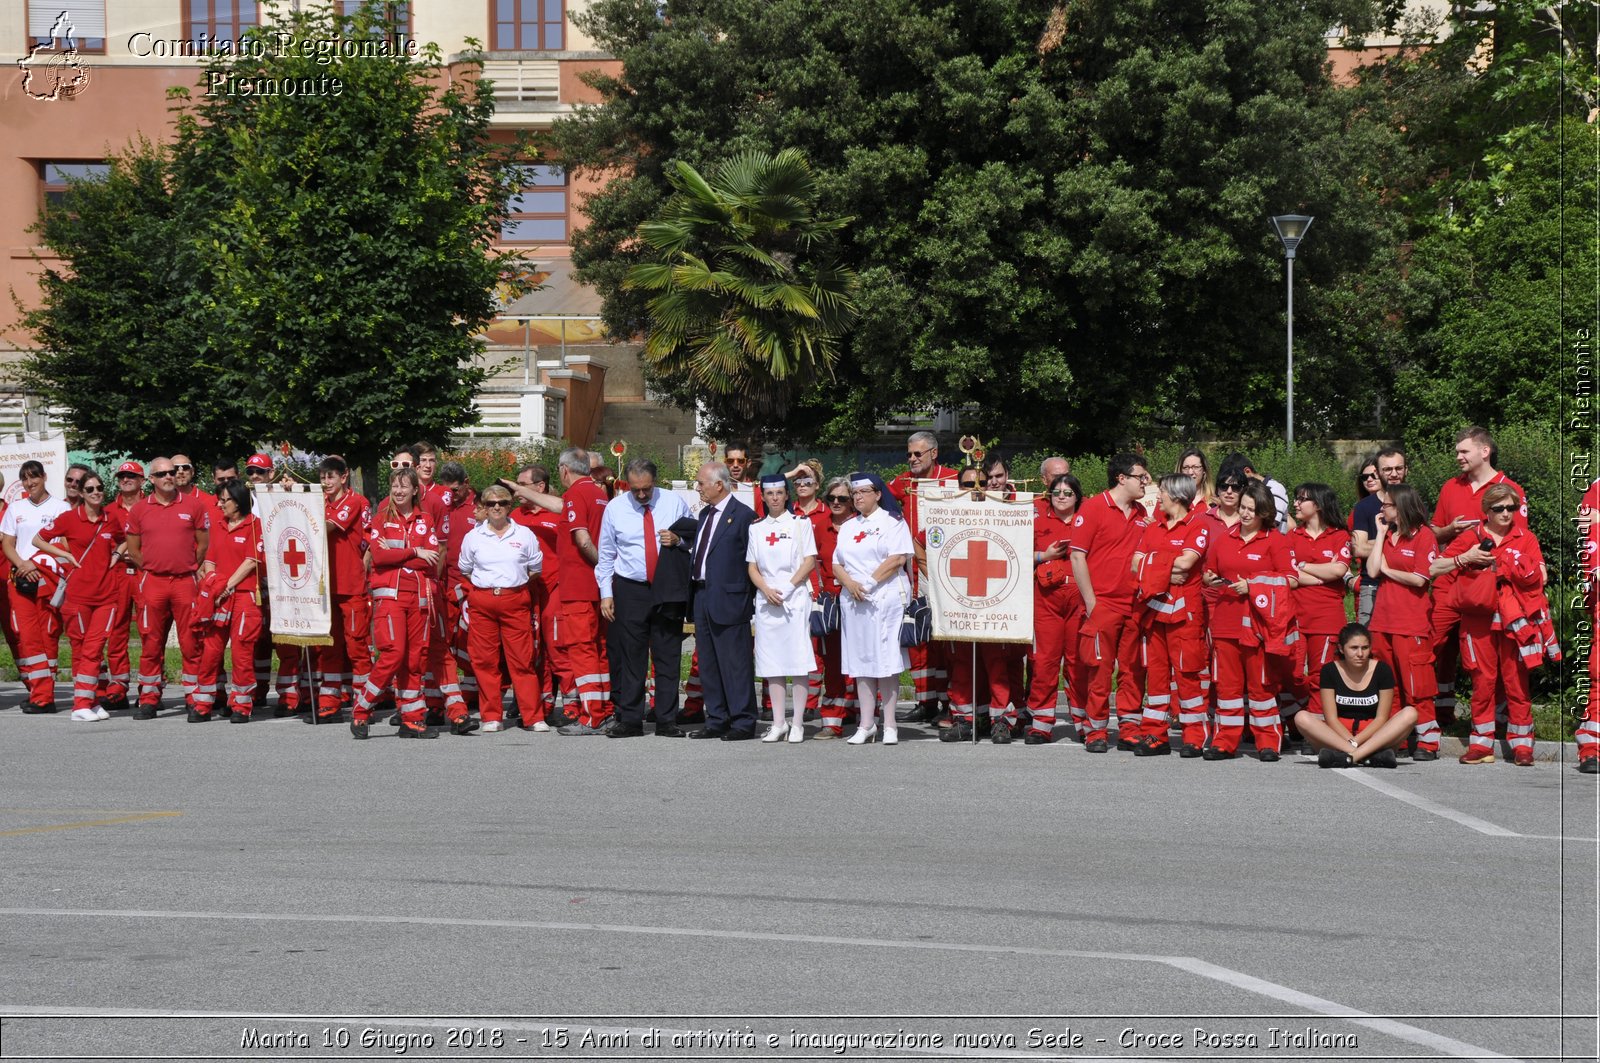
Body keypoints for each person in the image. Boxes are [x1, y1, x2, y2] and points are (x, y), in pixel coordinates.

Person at [1431, 483, 1548, 765]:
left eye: (1511, 508)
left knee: (1516, 682)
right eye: (1499, 508)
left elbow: (1541, 575)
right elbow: (1433, 568)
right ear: (1486, 511)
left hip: (1514, 620)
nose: (1507, 514)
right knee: (1482, 681)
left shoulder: (1525, 536)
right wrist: (1465, 557)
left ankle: (1522, 746)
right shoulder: (1472, 536)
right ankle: (1481, 745)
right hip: (1477, 618)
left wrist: (1512, 568)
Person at [1430, 426, 1528, 733]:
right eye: (1457, 451)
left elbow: (1519, 539)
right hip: (1449, 582)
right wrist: (1452, 531)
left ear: (1484, 451)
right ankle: (1433, 713)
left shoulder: (1509, 489)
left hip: (1486, 588)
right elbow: (1434, 533)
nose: (1457, 456)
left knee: (1488, 658)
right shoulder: (1450, 487)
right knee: (1433, 645)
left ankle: (1493, 721)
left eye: (1463, 451)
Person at [596, 457, 694, 738]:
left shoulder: (673, 502)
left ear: (655, 482)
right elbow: (606, 555)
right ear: (628, 484)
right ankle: (630, 718)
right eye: (636, 489)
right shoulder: (615, 508)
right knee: (631, 655)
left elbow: (693, 537)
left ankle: (666, 719)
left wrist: (678, 541)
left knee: (667, 653)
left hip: (666, 586)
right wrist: (606, 594)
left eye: (646, 489)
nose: (641, 495)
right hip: (630, 588)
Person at [351, 466, 446, 739]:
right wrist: (414, 551)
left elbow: (431, 560)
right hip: (389, 597)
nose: (398, 491)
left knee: (415, 659)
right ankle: (362, 708)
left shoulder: (425, 519)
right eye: (394, 486)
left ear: (415, 490)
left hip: (419, 596)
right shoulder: (381, 519)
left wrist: (400, 553)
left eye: (404, 486)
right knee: (393, 654)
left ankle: (413, 719)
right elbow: (379, 557)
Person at [1203, 480, 1294, 761]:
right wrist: (1210, 579)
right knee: (1228, 688)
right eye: (1242, 507)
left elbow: (1290, 578)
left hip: (1258, 626)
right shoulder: (1223, 539)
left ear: (1264, 513)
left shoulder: (1275, 541)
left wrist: (1253, 586)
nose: (1244, 513)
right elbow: (1209, 571)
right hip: (1226, 623)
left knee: (1261, 686)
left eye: (1251, 510)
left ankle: (1267, 741)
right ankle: (1225, 741)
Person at [1069, 453, 1152, 753]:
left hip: (1135, 605)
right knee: (1100, 670)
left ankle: (1130, 727)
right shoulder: (1093, 507)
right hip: (1103, 605)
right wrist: (1092, 604)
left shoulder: (1143, 513)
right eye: (1141, 476)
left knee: (1132, 670)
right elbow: (1077, 556)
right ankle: (1096, 731)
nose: (1146, 481)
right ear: (1121, 478)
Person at [946, 454, 1028, 743]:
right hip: (961, 601)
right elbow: (924, 543)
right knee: (963, 662)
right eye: (971, 483)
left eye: (985, 481)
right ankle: (964, 718)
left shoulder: (1012, 510)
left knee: (997, 663)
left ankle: (1001, 719)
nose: (980, 487)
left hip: (998, 600)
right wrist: (940, 582)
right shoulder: (951, 511)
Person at [34, 472, 124, 721]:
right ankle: (83, 704)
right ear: (82, 493)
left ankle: (88, 702)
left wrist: (116, 556)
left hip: (106, 596)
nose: (96, 492)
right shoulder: (69, 518)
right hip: (78, 597)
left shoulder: (110, 519)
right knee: (82, 649)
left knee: (94, 649)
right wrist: (67, 556)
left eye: (99, 488)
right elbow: (38, 539)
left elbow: (123, 541)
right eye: (90, 489)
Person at [124, 456, 210, 718]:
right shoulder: (139, 509)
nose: (169, 477)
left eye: (172, 472)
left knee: (191, 642)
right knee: (151, 642)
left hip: (185, 581)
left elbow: (203, 545)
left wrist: (185, 565)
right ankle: (149, 698)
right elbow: (133, 549)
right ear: (151, 479)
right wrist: (152, 566)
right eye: (162, 474)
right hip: (154, 582)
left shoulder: (194, 505)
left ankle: (195, 698)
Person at [459, 483, 548, 733]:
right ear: (484, 508)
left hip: (515, 600)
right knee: (485, 661)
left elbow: (535, 570)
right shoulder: (473, 537)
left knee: (522, 659)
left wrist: (512, 586)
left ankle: (533, 716)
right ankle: (491, 716)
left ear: (510, 506)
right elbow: (465, 570)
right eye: (490, 503)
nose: (496, 507)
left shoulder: (524, 535)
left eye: (502, 503)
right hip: (483, 602)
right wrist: (485, 589)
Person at [1131, 473, 1209, 756]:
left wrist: (1154, 567)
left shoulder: (1197, 526)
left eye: (1162, 492)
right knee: (1158, 677)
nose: (1158, 497)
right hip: (1155, 613)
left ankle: (1194, 737)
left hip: (1185, 615)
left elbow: (1187, 563)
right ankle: (1155, 736)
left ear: (1176, 496)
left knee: (1187, 675)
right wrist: (1166, 571)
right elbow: (1134, 565)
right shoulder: (1154, 529)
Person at [833, 471, 912, 745]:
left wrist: (866, 583)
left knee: (886, 659)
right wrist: (850, 585)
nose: (858, 497)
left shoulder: (893, 522)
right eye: (855, 493)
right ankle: (866, 724)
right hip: (854, 599)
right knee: (861, 660)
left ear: (878, 494)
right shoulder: (849, 526)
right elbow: (836, 563)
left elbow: (897, 558)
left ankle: (890, 723)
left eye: (864, 492)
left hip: (884, 596)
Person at [887, 431, 959, 723]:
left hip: (951, 569)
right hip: (917, 572)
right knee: (920, 639)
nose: (912, 459)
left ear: (933, 453)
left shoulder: (954, 479)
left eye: (918, 453)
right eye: (909, 454)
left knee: (948, 639)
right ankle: (925, 700)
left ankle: (951, 701)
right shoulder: (903, 482)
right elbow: (878, 497)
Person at [1365, 483, 1441, 759]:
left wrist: (1388, 570)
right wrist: (1381, 532)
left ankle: (1428, 741)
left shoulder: (1424, 537)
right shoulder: (1387, 535)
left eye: (1386, 505)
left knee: (1417, 685)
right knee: (1390, 686)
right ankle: (1395, 738)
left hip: (1411, 623)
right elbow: (1373, 570)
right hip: (1382, 622)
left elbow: (1421, 579)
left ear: (1401, 506)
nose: (1381, 508)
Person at [686, 461, 759, 740]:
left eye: (701, 483)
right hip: (702, 595)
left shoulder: (743, 516)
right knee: (709, 662)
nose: (698, 488)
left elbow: (751, 561)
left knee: (735, 662)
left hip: (730, 598)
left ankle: (742, 721)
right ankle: (717, 718)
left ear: (719, 484)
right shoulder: (705, 514)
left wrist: (747, 599)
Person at [747, 474, 818, 742]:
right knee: (772, 663)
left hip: (794, 596)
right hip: (767, 600)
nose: (775, 498)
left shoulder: (801, 523)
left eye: (779, 493)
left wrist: (787, 588)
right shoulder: (756, 528)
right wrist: (765, 589)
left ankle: (797, 722)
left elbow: (809, 560)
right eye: (769, 493)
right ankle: (779, 722)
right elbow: (752, 566)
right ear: (763, 497)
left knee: (798, 661)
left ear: (787, 495)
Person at [1, 460, 72, 712]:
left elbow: (64, 545)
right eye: (25, 479)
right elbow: (8, 543)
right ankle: (40, 695)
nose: (29, 483)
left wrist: (36, 564)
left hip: (48, 579)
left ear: (44, 477)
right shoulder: (16, 508)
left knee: (48, 635)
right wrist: (22, 564)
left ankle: (44, 693)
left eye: (34, 477)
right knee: (28, 637)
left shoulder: (61, 507)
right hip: (20, 579)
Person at [192, 480, 264, 722]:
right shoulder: (219, 525)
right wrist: (214, 584)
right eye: (219, 500)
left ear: (238, 501)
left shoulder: (255, 526)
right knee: (211, 650)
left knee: (242, 652)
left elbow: (251, 561)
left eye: (225, 500)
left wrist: (227, 586)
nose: (220, 504)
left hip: (244, 596)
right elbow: (210, 559)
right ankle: (203, 703)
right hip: (219, 597)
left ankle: (241, 706)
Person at [1297, 623, 1415, 768]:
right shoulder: (1330, 670)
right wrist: (1351, 742)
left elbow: (1382, 718)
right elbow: (1331, 719)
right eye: (1354, 648)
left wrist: (1357, 741)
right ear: (1341, 648)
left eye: (1365, 648)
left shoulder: (1382, 670)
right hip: (1339, 737)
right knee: (1301, 717)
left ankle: (1349, 757)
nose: (1360, 654)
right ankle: (1366, 757)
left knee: (1410, 713)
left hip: (1374, 736)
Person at [1026, 472, 1086, 744]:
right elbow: (1016, 553)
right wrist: (1044, 556)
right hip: (1046, 599)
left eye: (1068, 493)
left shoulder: (1087, 520)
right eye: (1057, 492)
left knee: (1078, 663)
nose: (1061, 497)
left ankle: (1085, 722)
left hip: (1079, 599)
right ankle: (1041, 724)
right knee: (1044, 663)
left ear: (1077, 497)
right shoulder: (1036, 520)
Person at [313, 456, 372, 722]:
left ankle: (365, 702)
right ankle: (329, 702)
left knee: (357, 647)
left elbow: (327, 527)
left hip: (351, 585)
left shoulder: (355, 501)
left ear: (344, 476)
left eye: (331, 477)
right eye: (323, 477)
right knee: (329, 648)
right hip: (325, 586)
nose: (326, 483)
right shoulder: (318, 503)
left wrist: (302, 520)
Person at [1286, 483, 1351, 720]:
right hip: (1294, 615)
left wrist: (1305, 566)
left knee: (1320, 674)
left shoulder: (1339, 535)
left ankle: (1316, 723)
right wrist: (1319, 577)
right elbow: (1289, 574)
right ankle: (1297, 717)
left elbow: (1339, 569)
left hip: (1326, 616)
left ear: (1319, 505)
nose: (1295, 503)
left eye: (1301, 499)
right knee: (1291, 673)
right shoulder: (1293, 536)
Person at [509, 464, 565, 727]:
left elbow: (566, 509)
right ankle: (539, 705)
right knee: (532, 652)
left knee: (558, 649)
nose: (516, 489)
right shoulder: (514, 517)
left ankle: (574, 706)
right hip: (526, 593)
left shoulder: (556, 512)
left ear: (540, 487)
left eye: (522, 484)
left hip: (554, 589)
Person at [811, 475, 858, 738]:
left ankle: (861, 714)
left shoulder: (862, 526)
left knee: (861, 658)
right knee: (832, 661)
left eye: (843, 498)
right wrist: (816, 593)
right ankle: (831, 721)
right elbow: (809, 562)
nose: (837, 502)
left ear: (852, 501)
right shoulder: (818, 526)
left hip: (858, 598)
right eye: (832, 498)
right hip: (830, 600)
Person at [101, 460, 146, 712]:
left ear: (142, 481)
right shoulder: (107, 510)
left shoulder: (152, 506)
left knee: (150, 632)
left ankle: (149, 689)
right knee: (116, 631)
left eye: (131, 476)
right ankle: (117, 687)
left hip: (144, 574)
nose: (125, 479)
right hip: (118, 576)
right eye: (122, 476)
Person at [1350, 447, 1407, 626]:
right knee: (1370, 642)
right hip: (1373, 585)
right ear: (1378, 471)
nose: (1393, 474)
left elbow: (1422, 544)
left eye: (1398, 468)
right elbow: (1359, 547)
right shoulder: (1364, 507)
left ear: (1406, 470)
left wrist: (1375, 546)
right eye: (1387, 469)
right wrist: (1400, 546)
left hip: (1406, 584)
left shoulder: (1413, 502)